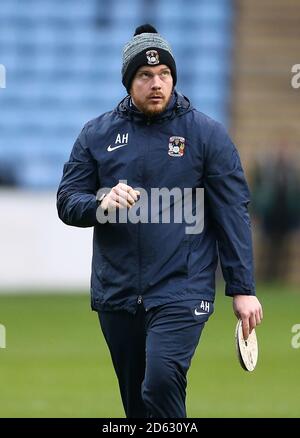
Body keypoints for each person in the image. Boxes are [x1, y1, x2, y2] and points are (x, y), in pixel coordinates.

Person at [57, 24, 263, 418]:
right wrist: (102, 201)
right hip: (118, 293)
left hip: (182, 289)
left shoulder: (206, 135)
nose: (157, 83)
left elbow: (233, 212)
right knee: (138, 407)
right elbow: (67, 202)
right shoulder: (96, 135)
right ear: (128, 82)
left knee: (162, 380)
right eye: (145, 75)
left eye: (164, 74)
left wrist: (242, 287)